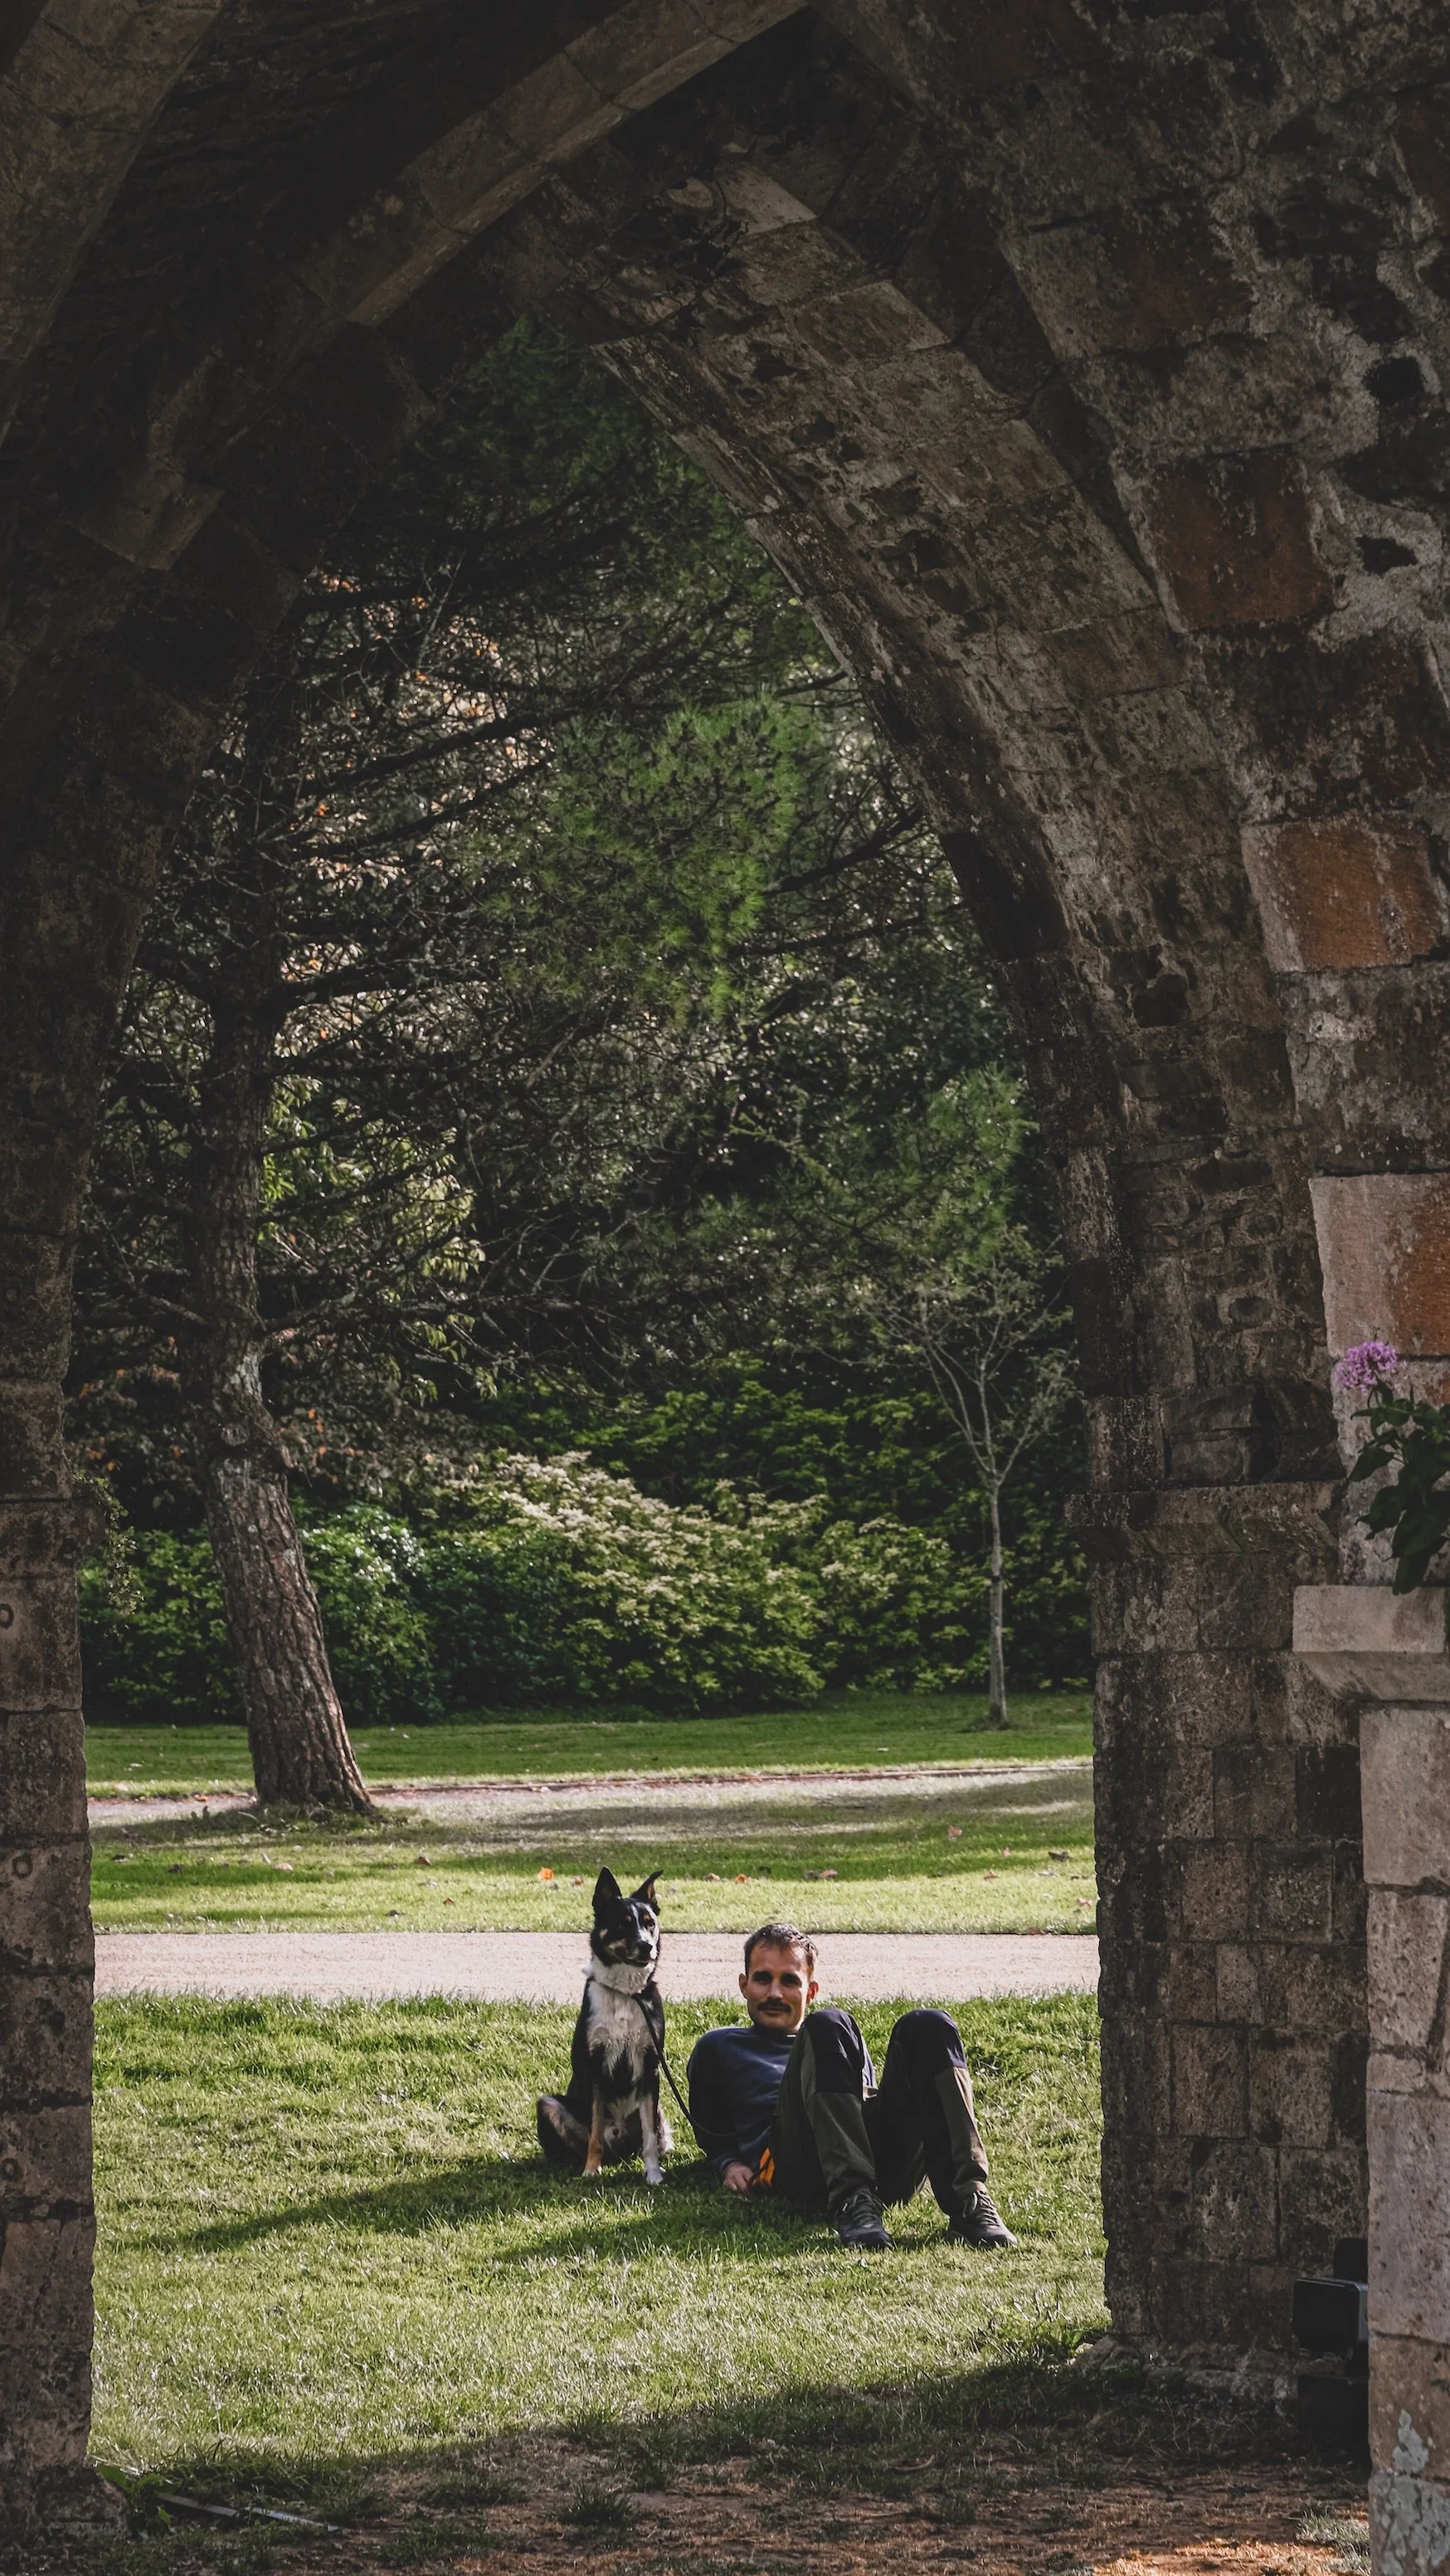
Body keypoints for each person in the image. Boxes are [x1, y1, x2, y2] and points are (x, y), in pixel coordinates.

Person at [686, 1919, 1016, 2252]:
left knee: (929, 2024)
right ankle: (852, 2200)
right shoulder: (720, 2046)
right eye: (763, 1979)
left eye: (789, 1981)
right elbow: (712, 2131)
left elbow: (859, 2106)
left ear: (810, 1991)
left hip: (879, 2165)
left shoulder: (836, 2038)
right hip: (796, 2164)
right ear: (744, 1985)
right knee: (829, 2022)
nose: (774, 1993)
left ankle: (969, 2199)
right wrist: (728, 2163)